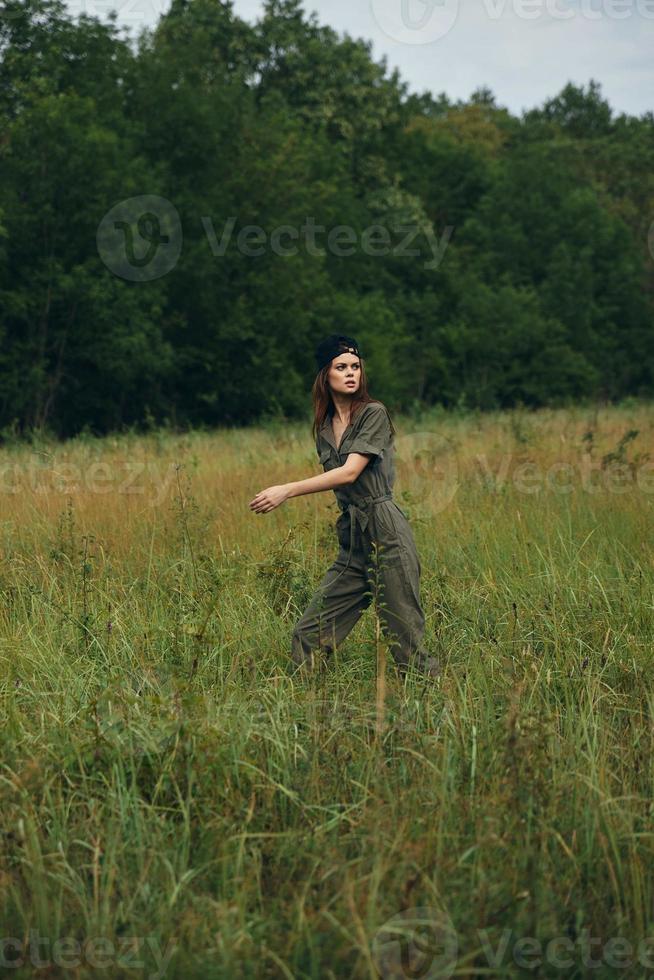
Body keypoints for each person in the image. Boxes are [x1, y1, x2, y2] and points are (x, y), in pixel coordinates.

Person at [249, 334, 440, 680]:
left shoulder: (373, 414)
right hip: (352, 537)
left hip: (386, 531)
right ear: (326, 375)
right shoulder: (323, 427)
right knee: (309, 633)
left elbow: (350, 473)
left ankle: (432, 709)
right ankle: (308, 709)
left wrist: (287, 490)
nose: (351, 373)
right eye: (341, 367)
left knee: (405, 640)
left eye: (355, 366)